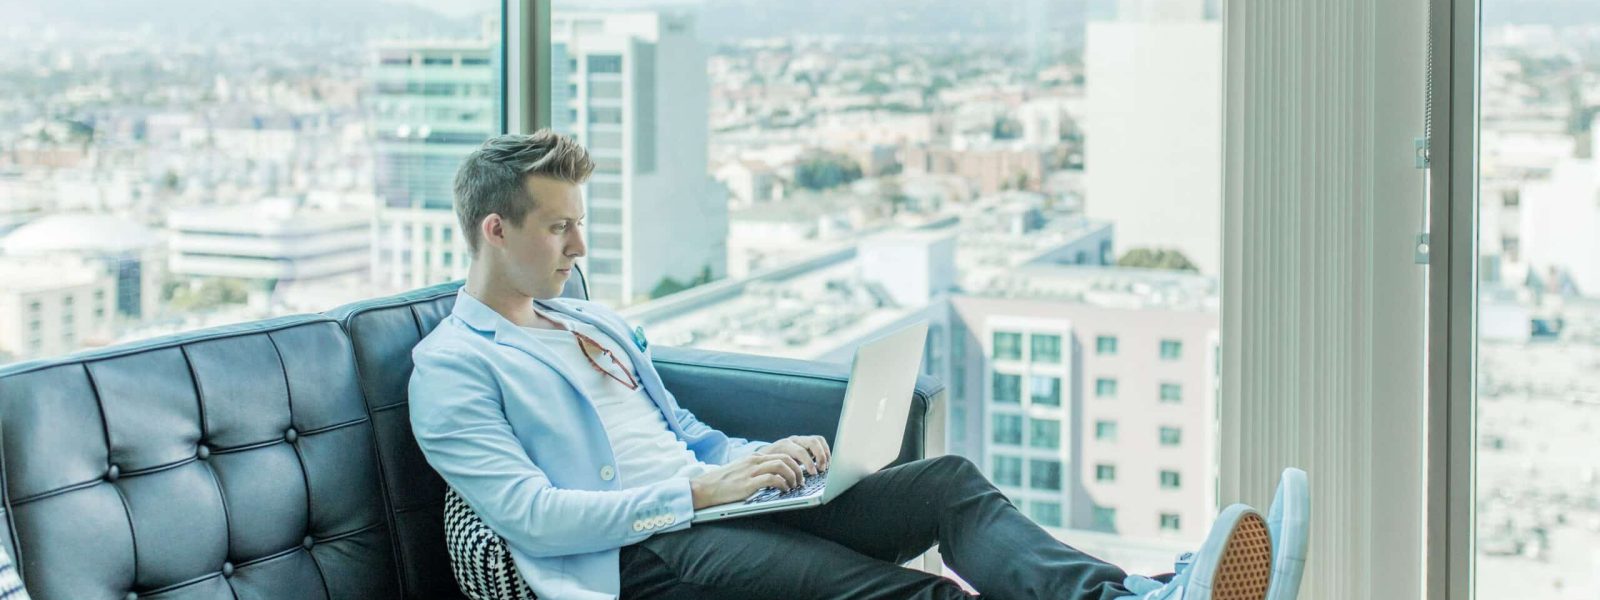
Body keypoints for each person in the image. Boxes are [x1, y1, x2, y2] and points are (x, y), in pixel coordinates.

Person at [409, 131, 1308, 600]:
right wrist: (701, 495)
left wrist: (763, 461)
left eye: (578, 219)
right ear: (497, 228)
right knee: (892, 593)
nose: (579, 241)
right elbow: (531, 514)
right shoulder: (452, 368)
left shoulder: (591, 322)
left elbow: (682, 431)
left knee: (946, 484)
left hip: (718, 505)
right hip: (643, 556)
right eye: (558, 224)